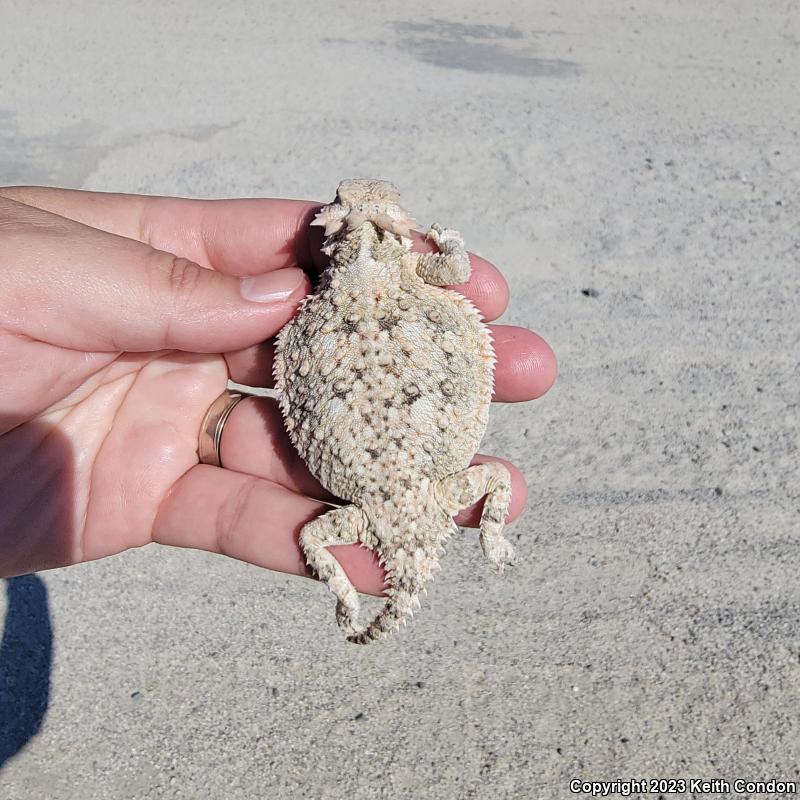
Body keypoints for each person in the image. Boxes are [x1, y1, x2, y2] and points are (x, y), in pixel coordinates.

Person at [0, 187, 557, 594]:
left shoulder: (317, 296)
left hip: (370, 470)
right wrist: (450, 240)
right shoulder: (419, 272)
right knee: (494, 482)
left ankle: (357, 588)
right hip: (420, 465)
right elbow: (457, 265)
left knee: (321, 536)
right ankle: (490, 540)